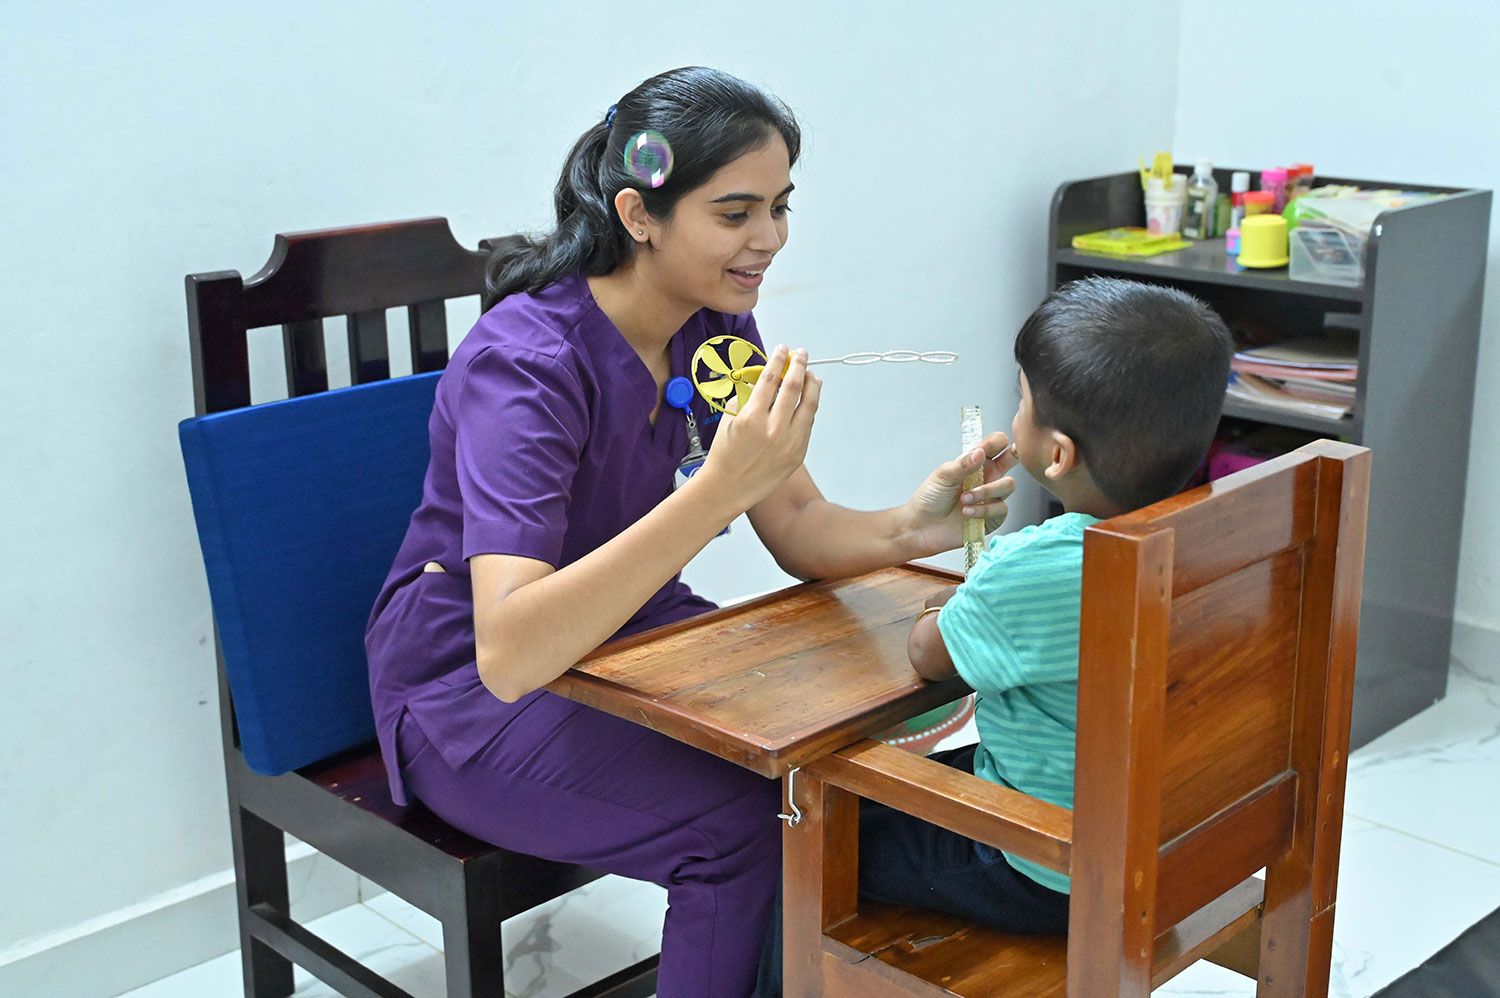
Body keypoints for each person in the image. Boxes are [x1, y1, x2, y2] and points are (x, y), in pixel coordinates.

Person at [363, 66, 1014, 998]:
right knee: (744, 827)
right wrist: (716, 493)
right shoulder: (526, 367)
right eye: (735, 213)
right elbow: (510, 651)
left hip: (630, 640)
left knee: (823, 769)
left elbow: (797, 525)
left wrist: (916, 525)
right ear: (639, 215)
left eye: (780, 207)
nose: (769, 239)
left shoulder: (717, 328)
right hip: (464, 696)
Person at [755, 276, 1234, 994]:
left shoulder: (1045, 566)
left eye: (1023, 401)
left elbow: (929, 655)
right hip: (1174, 838)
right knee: (870, 802)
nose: (1016, 415)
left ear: (1058, 454)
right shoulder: (1216, 534)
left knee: (798, 835)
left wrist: (959, 602)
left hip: (1046, 863)